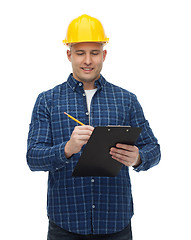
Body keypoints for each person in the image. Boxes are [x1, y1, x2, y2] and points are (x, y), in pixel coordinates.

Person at [27, 14, 161, 240]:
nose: (87, 60)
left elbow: (153, 149)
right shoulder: (47, 100)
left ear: (104, 55)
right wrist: (67, 148)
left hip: (115, 222)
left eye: (94, 53)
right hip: (65, 222)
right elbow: (33, 158)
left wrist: (138, 158)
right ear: (69, 54)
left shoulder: (126, 100)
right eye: (80, 53)